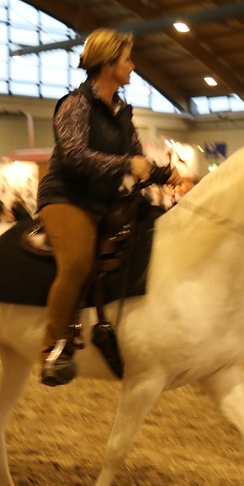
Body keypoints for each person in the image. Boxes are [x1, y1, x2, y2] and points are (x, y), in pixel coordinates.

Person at [36, 28, 176, 386]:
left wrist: (163, 173)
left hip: (103, 200)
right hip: (66, 198)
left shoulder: (122, 112)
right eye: (127, 59)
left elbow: (136, 158)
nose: (133, 65)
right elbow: (73, 156)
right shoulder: (75, 104)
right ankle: (53, 350)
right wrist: (127, 166)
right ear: (108, 63)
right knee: (78, 262)